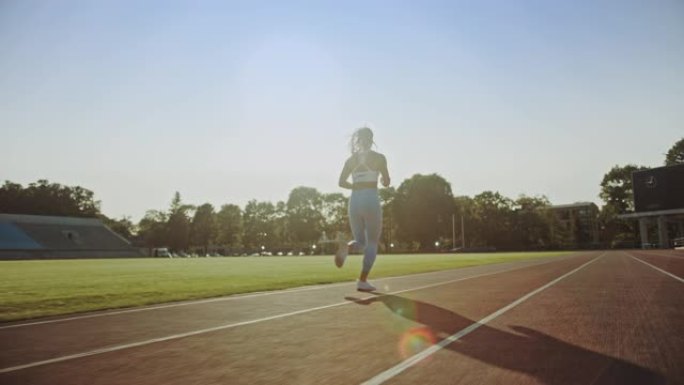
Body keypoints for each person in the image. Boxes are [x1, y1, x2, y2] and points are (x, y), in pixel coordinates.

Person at [336, 127, 390, 292]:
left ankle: (347, 247)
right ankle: (362, 281)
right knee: (372, 243)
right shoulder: (379, 158)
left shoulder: (351, 160)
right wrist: (382, 180)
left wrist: (357, 185)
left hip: (355, 200)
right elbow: (386, 182)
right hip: (370, 198)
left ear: (357, 140)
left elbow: (341, 182)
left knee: (360, 241)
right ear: (372, 138)